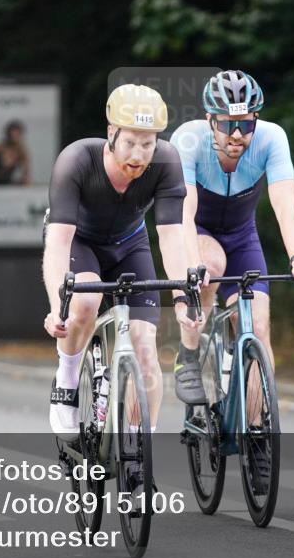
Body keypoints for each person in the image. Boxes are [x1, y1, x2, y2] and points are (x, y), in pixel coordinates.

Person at [170, 70, 294, 483]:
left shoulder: (272, 138)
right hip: (199, 234)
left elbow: (284, 205)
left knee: (256, 325)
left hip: (243, 238)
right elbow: (181, 213)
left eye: (246, 124)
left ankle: (256, 433)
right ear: (210, 120)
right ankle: (189, 354)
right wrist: (190, 265)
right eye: (228, 124)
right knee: (211, 269)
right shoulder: (186, 140)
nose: (238, 134)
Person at [43, 84, 201, 442]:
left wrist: (181, 298)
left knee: (146, 346)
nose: (139, 154)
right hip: (79, 243)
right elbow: (58, 242)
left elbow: (172, 236)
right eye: (130, 142)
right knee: (84, 305)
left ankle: (139, 452)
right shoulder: (76, 160)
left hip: (130, 245)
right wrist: (58, 307)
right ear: (111, 133)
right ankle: (67, 379)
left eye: (148, 144)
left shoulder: (167, 162)